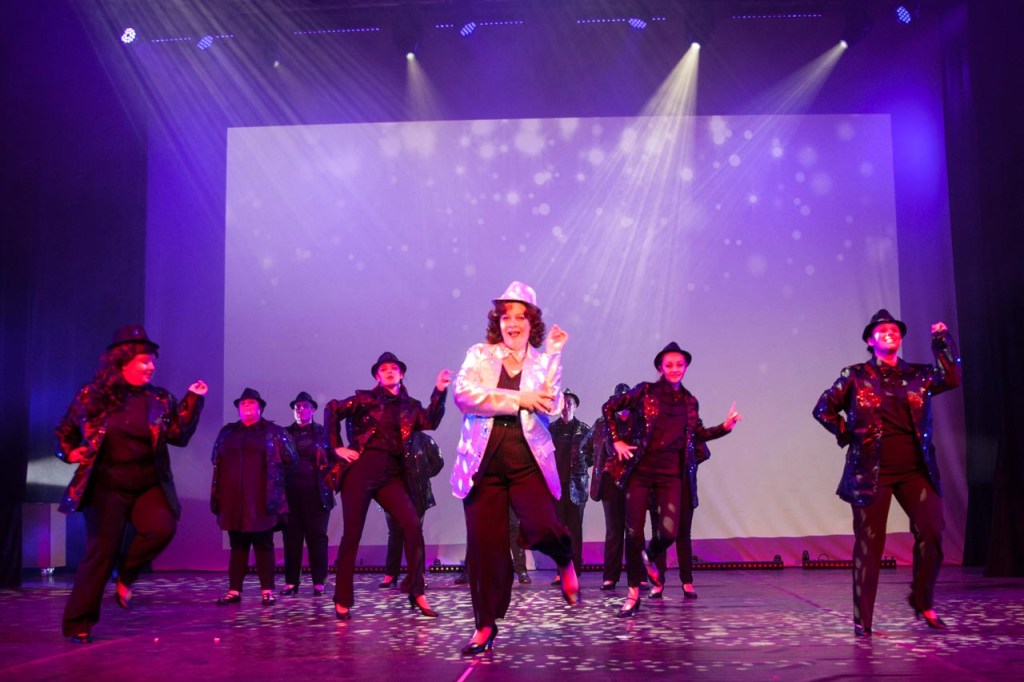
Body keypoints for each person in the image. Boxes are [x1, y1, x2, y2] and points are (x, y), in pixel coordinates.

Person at [813, 309, 961, 636]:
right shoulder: (854, 375)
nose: (889, 333)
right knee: (870, 544)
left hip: (916, 470)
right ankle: (862, 621)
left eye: (894, 329)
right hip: (871, 472)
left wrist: (941, 341)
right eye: (882, 331)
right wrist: (847, 433)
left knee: (932, 532)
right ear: (870, 340)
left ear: (901, 338)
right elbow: (823, 409)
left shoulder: (919, 375)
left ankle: (922, 601)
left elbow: (951, 377)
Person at [55, 325, 207, 643]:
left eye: (153, 361)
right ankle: (78, 622)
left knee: (162, 527)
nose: (151, 366)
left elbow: (177, 435)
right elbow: (65, 431)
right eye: (144, 361)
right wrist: (69, 452)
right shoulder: (92, 396)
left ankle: (126, 574)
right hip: (106, 486)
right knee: (101, 551)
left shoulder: (159, 398)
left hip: (147, 483)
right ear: (123, 361)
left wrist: (193, 399)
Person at [452, 281, 579, 656]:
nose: (512, 323)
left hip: (526, 459)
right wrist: (520, 398)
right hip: (483, 462)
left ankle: (564, 558)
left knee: (542, 526)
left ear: (531, 323)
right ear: (498, 322)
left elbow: (551, 404)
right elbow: (464, 395)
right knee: (486, 551)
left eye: (520, 317)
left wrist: (554, 355)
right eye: (506, 317)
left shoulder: (540, 361)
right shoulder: (479, 354)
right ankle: (485, 625)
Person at [603, 342, 741, 617]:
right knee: (633, 533)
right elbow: (609, 407)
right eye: (669, 365)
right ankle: (633, 594)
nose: (675, 369)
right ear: (660, 368)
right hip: (641, 472)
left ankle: (650, 555)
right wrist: (616, 440)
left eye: (679, 365)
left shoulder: (690, 402)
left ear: (686, 367)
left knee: (668, 532)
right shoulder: (644, 391)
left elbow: (699, 434)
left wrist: (725, 428)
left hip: (670, 475)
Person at [324, 352, 449, 620]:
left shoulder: (410, 406)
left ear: (401, 374)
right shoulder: (364, 399)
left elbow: (431, 421)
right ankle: (342, 597)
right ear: (377, 376)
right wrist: (336, 447)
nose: (389, 371)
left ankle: (416, 590)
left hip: (391, 475)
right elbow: (332, 408)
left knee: (412, 524)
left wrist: (439, 391)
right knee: (352, 534)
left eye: (394, 368)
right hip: (361, 471)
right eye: (384, 369)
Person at [210, 388, 297, 606]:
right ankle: (234, 590)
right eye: (243, 404)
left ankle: (267, 590)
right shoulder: (228, 432)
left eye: (251, 403)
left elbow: (290, 458)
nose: (247, 407)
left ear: (261, 408)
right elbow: (216, 458)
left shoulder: (273, 431)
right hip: (233, 498)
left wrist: (273, 480)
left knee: (263, 543)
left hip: (262, 497)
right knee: (237, 544)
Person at [280, 391, 336, 597]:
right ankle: (291, 582)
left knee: (317, 537)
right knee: (291, 538)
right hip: (290, 494)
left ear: (313, 410)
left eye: (305, 406)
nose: (300, 410)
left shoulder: (322, 433)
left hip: (317, 493)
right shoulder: (284, 434)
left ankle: (319, 582)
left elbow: (334, 458)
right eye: (297, 407)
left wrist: (331, 478)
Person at [379, 431, 444, 589]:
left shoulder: (423, 439)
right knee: (394, 533)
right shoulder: (389, 436)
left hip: (417, 492)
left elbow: (438, 462)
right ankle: (391, 573)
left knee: (415, 532)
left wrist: (421, 475)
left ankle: (418, 574)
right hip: (393, 491)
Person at [583, 382, 633, 590]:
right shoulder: (603, 423)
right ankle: (610, 576)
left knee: (633, 530)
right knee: (614, 530)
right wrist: (596, 464)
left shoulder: (638, 422)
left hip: (632, 481)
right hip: (610, 482)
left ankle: (638, 576)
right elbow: (584, 448)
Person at [549, 388, 592, 584]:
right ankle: (561, 570)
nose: (565, 406)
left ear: (575, 406)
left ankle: (574, 570)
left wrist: (580, 469)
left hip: (577, 486)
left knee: (575, 528)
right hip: (556, 486)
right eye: (562, 403)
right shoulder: (550, 429)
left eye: (569, 403)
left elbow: (592, 455)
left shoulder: (584, 429)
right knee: (559, 529)